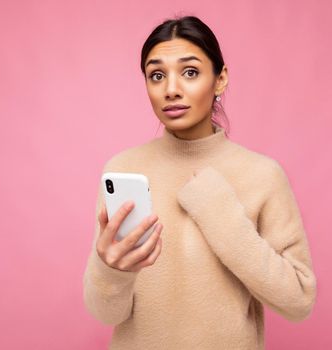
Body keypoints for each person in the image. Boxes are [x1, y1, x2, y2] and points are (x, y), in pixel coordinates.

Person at [83, 15, 317, 349]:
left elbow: (298, 301)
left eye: (190, 72)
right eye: (157, 75)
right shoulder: (124, 169)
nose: (171, 89)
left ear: (220, 80)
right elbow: (105, 313)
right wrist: (110, 269)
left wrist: (220, 214)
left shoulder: (262, 174)